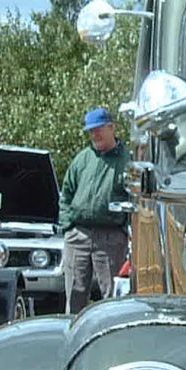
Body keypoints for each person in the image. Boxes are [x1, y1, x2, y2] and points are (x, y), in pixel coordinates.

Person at [59, 107, 131, 314]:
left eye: (98, 129)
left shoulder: (128, 160)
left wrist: (126, 232)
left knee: (112, 296)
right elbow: (66, 193)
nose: (94, 135)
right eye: (91, 131)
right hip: (78, 236)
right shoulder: (82, 159)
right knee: (74, 295)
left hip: (111, 238)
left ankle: (113, 342)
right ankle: (73, 340)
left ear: (112, 128)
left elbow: (135, 200)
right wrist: (68, 227)